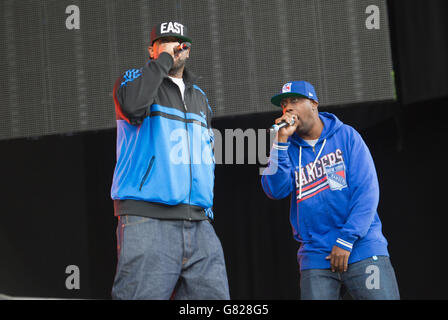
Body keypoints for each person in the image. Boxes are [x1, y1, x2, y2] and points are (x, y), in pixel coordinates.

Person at [110, 21, 230, 300]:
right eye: (163, 42)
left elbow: (206, 154)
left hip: (199, 224)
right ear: (151, 50)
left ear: (187, 49)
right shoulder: (132, 80)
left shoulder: (200, 96)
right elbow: (132, 106)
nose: (173, 46)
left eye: (178, 41)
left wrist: (206, 206)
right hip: (148, 219)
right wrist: (164, 60)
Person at [261, 80, 400, 300]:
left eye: (295, 100)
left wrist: (346, 239)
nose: (288, 108)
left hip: (361, 248)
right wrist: (279, 143)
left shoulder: (346, 136)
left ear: (314, 103)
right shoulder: (285, 146)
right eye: (284, 104)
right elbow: (275, 190)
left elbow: (367, 192)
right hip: (316, 256)